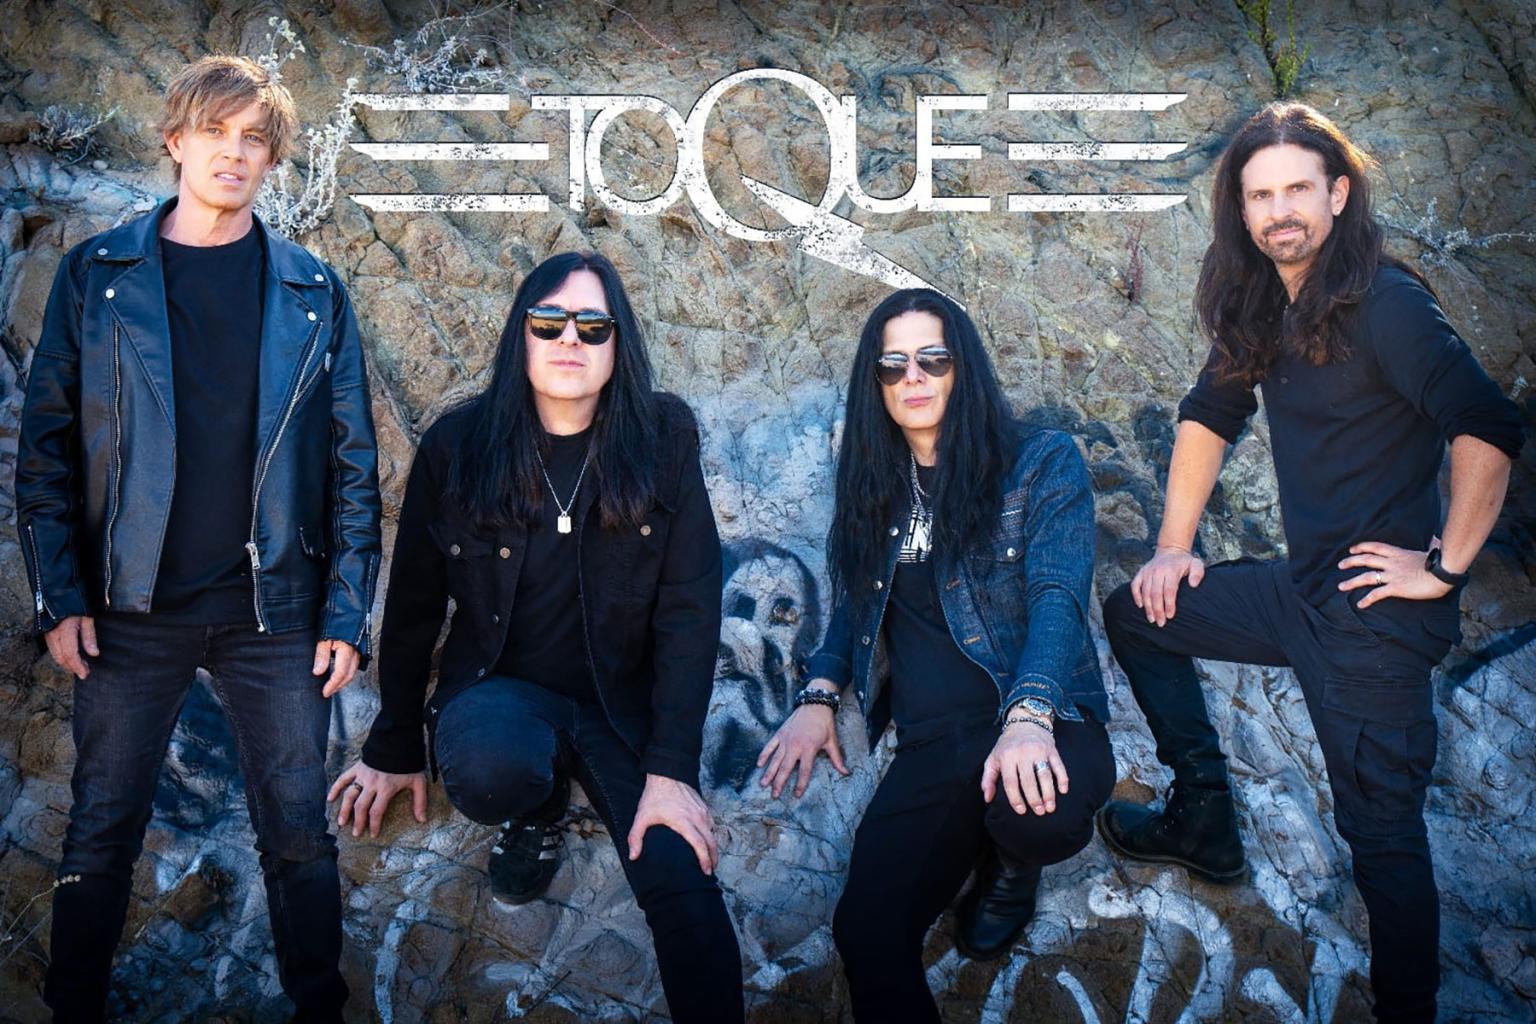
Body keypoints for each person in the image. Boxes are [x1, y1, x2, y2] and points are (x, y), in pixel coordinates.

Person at [1095, 103, 1524, 1023]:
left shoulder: (1388, 303)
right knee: (1138, 610)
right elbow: (1210, 412)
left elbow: (1487, 426)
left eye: (1297, 188)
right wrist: (1173, 549)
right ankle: (1203, 818)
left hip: (1378, 623)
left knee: (1382, 845)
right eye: (1260, 194)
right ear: (1241, 210)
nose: (1278, 209)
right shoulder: (1265, 302)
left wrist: (1441, 569)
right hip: (1303, 595)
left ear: (1338, 193)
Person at [16, 55, 380, 1022]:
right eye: (215, 133)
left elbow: (354, 463)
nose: (234, 153)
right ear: (176, 142)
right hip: (129, 610)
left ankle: (319, 1009)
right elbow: (46, 449)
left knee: (301, 835)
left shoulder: (310, 289)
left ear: (271, 160)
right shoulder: (99, 277)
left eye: (253, 139)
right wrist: (62, 596)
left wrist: (346, 609)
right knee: (99, 831)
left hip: (276, 614)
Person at [330, 251, 744, 1023]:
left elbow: (691, 608)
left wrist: (672, 771)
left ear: (619, 346)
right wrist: (393, 746)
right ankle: (540, 803)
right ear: (521, 336)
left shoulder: (662, 441)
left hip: (624, 710)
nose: (570, 341)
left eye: (594, 326)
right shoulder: (460, 448)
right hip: (501, 699)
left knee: (684, 884)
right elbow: (416, 602)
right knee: (490, 772)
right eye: (548, 322)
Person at [757, 288, 1115, 1023]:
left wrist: (1029, 714)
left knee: (1036, 817)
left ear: (963, 369)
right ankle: (988, 832)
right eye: (892, 366)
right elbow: (856, 600)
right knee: (865, 931)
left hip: (1041, 717)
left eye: (932, 359)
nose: (912, 378)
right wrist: (819, 696)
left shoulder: (1040, 463)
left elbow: (1058, 593)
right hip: (932, 747)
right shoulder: (874, 486)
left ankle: (1012, 862)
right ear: (876, 383)